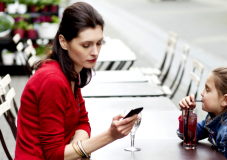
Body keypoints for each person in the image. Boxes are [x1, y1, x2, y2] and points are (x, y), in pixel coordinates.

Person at [14, 2, 138, 160]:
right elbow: (54, 154)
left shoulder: (71, 71)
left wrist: (76, 149)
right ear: (63, 41)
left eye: (99, 43)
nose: (95, 52)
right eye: (86, 45)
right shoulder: (52, 80)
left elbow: (82, 122)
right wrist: (110, 135)